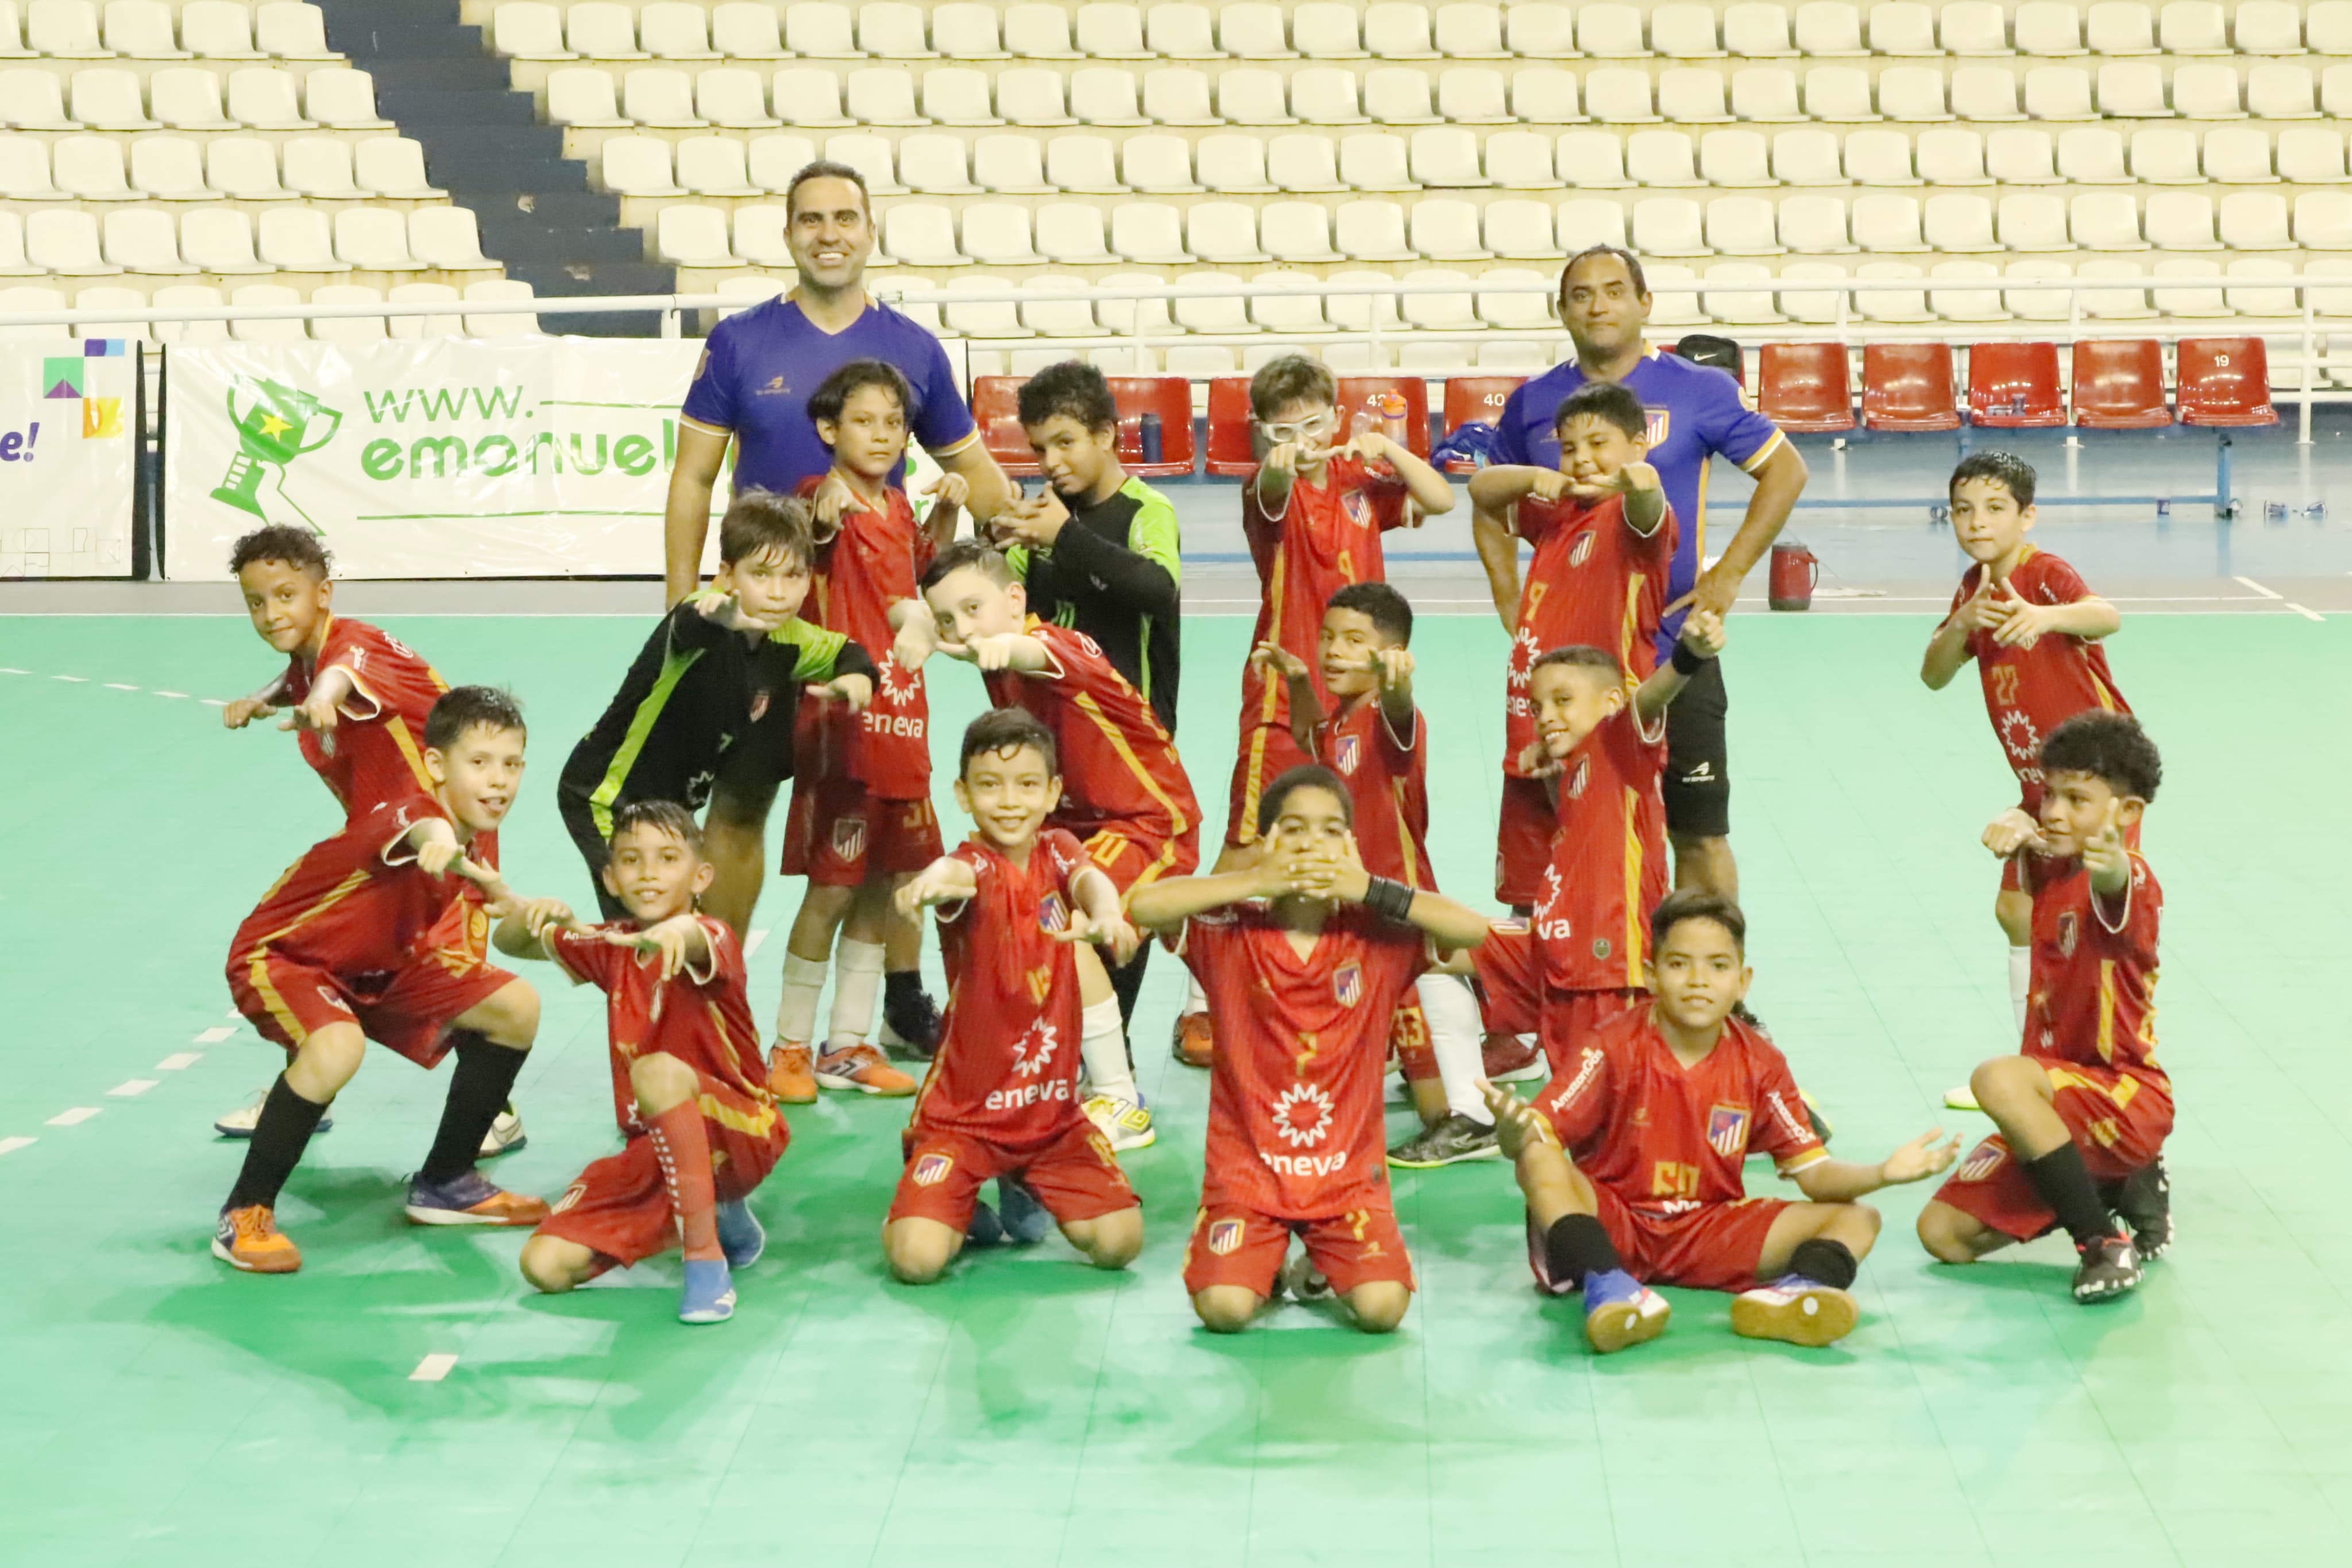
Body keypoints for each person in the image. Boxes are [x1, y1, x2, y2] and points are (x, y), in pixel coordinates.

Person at [666, 159, 1010, 1049]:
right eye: (810, 218)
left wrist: (1029, 530)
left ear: (869, 230)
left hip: (868, 629)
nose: (829, 232)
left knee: (887, 813)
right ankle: (720, 992)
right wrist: (680, 605)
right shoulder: (740, 344)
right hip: (762, 622)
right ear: (788, 234)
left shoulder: (914, 350)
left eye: (845, 218)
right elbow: (694, 478)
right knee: (738, 809)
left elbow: (976, 476)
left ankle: (895, 1001)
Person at [1485, 891, 1959, 1353]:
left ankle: (1792, 1296)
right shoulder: (1610, 1045)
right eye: (1678, 964)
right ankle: (1606, 1285)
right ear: (1650, 976)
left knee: (1858, 1218)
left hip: (1707, 1231)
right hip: (1615, 1221)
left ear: (1742, 981)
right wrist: (1515, 1136)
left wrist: (1881, 1174)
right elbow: (1540, 1130)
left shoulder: (1761, 1063)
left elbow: (1814, 1175)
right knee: (1537, 1156)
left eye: (1717, 966)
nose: (1698, 980)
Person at [1482, 246, 1810, 910]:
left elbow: (1787, 471)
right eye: (1581, 295)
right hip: (1570, 669)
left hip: (1671, 652)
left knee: (1698, 834)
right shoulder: (1532, 404)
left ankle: (1723, 999)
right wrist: (1511, 601)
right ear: (1562, 310)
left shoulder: (1699, 389)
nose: (1598, 305)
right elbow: (1488, 503)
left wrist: (1729, 574)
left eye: (1612, 291)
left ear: (1644, 303)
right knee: (1556, 829)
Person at [1128, 766, 1492, 1336]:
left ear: (1350, 845)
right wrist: (1251, 880)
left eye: (1329, 832)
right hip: (1247, 1179)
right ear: (1267, 842)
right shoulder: (1227, 929)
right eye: (1293, 830)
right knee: (1224, 1311)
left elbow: (1473, 931)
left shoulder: (1376, 933)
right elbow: (1144, 904)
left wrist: (1369, 887)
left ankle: (1319, 1266)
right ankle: (1262, 1273)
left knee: (1382, 1310)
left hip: (1347, 1184)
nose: (1310, 845)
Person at [1171, 354, 1456, 1069]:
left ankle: (1393, 996)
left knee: (1369, 838)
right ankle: (1200, 1003)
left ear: (1335, 414)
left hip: (1358, 697)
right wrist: (1280, 460)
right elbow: (1270, 482)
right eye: (1280, 428)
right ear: (1261, 434)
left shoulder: (1363, 483)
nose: (1300, 437)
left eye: (1313, 422)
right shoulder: (1267, 493)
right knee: (1247, 843)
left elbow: (1442, 500)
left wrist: (1384, 444)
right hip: (1283, 695)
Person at [212, 687, 551, 1274]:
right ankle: (244, 1212)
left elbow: (510, 936)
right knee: (336, 1046)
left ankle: (447, 1183)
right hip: (288, 958)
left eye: (512, 764)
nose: (499, 781)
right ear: (437, 765)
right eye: (480, 763)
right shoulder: (418, 815)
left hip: (381, 966)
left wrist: (541, 919)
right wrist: (453, 854)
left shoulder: (473, 836)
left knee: (517, 1007)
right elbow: (430, 840)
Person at [213, 525, 526, 1157]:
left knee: (450, 975)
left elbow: (337, 679)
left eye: (286, 596)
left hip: (444, 845)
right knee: (325, 956)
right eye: (256, 602)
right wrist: (261, 698)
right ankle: (304, 1084)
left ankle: (497, 1107)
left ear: (323, 593)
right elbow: (304, 676)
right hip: (386, 849)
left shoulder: (354, 649)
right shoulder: (309, 658)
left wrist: (323, 701)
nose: (272, 613)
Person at [918, 540, 1202, 1150]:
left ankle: (1121, 1101)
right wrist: (918, 625)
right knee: (1023, 921)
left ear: (1016, 600)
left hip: (1146, 822)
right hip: (1070, 831)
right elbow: (922, 617)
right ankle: (1070, 1068)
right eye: (949, 619)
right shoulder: (986, 650)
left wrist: (1000, 645)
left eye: (974, 609)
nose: (962, 630)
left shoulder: (1056, 646)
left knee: (1059, 927)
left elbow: (1034, 652)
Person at [884, 709, 1148, 1284]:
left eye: (1028, 785)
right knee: (916, 1261)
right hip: (964, 1119)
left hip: (1051, 1117)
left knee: (1119, 1244)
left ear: (1053, 792)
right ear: (962, 793)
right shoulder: (972, 863)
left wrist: (1106, 913)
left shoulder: (1057, 849)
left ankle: (1023, 1178)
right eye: (989, 785)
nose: (1009, 801)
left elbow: (1091, 881)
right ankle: (956, 1193)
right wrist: (931, 881)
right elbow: (955, 874)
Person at [1917, 713, 2172, 1305]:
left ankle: (2100, 1243)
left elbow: (2113, 877)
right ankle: (2113, 1186)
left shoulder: (2128, 878)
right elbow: (2037, 845)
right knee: (1943, 1235)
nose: (2054, 811)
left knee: (1997, 1078)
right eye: (2049, 794)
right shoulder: (2050, 863)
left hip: (2123, 1095)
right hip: (2061, 1102)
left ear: (2127, 814)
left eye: (2077, 799)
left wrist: (2108, 857)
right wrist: (2019, 823)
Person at [503, 803, 784, 1324]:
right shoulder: (614, 944)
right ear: (610, 877)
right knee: (544, 1267)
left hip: (744, 1129)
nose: (648, 872)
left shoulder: (715, 936)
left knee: (655, 1070)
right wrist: (533, 915)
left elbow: (697, 940)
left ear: (701, 876)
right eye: (631, 860)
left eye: (668, 858)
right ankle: (713, 1211)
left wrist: (678, 934)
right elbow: (509, 942)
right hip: (653, 1142)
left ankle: (705, 1261)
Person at [1250, 582, 1494, 1169]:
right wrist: (1300, 680)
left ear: (1390, 652)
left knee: (1430, 976)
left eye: (1353, 641)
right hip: (1354, 909)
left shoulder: (1388, 713)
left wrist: (1399, 682)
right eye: (1329, 638)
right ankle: (1437, 1084)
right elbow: (1313, 733)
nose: (1333, 650)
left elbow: (1404, 713)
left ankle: (1474, 1113)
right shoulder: (1341, 719)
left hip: (1398, 900)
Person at [768, 360, 957, 1102]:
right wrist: (823, 513)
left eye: (893, 423)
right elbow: (812, 527)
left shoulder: (901, 511)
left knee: (886, 885)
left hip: (906, 720)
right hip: (843, 722)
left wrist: (942, 521)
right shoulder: (823, 496)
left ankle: (846, 1042)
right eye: (863, 421)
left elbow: (923, 582)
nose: (880, 435)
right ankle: (787, 1045)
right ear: (827, 429)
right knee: (830, 891)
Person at [1920, 451, 2127, 1109]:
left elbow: (2106, 615)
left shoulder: (2043, 574)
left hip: (2098, 779)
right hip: (2041, 787)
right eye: (1963, 510)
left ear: (2026, 516)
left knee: (2082, 927)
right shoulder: (1973, 591)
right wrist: (1963, 623)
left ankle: (2092, 1075)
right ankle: (2032, 1073)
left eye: (1994, 509)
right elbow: (1933, 673)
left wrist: (2046, 618)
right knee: (2014, 910)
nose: (1976, 522)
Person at [558, 491, 875, 922]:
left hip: (671, 812)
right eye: (760, 575)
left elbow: (849, 653)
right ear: (727, 574)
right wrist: (718, 615)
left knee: (674, 930)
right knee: (644, 929)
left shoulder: (791, 638)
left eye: (792, 575)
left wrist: (858, 677)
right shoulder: (698, 618)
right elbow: (693, 622)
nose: (778, 592)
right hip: (607, 797)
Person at [1471, 611, 1726, 1089]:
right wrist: (1552, 776)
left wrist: (1686, 658)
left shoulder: (1618, 744)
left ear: (1611, 703)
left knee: (1627, 1105)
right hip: (1569, 964)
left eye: (1562, 701)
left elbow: (1647, 701)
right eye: (1537, 707)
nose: (1545, 717)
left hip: (1617, 972)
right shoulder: (1576, 773)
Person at [996, 360, 1183, 732]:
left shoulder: (1145, 510)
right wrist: (989, 542)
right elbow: (1001, 605)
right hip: (1054, 730)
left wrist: (1065, 537)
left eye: (1065, 443)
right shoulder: (1041, 516)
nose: (1051, 463)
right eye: (1040, 449)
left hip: (1130, 733)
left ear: (1105, 435)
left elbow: (1160, 589)